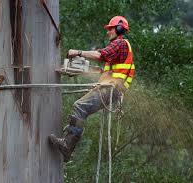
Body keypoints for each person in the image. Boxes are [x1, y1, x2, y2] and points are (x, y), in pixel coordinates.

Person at [48, 16, 135, 162]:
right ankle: (69, 139)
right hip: (111, 90)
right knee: (81, 109)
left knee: (80, 107)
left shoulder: (120, 43)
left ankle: (67, 145)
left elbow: (100, 55)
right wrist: (78, 70)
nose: (108, 32)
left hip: (110, 89)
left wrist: (78, 52)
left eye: (110, 29)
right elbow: (106, 72)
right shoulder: (122, 49)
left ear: (119, 29)